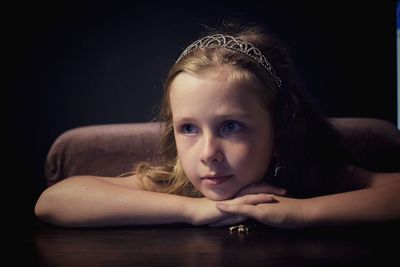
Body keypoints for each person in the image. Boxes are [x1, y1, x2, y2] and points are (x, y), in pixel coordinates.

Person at [34, 20, 400, 229]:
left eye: (230, 127)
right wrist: (198, 210)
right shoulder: (178, 184)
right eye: (188, 129)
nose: (208, 154)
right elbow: (54, 202)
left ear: (279, 126)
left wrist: (302, 212)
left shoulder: (308, 176)